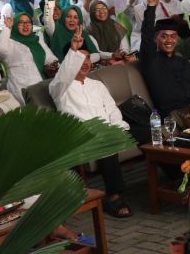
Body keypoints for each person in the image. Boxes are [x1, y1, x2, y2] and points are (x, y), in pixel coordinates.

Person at [50, 35, 147, 219]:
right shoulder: (59, 87)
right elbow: (64, 74)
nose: (85, 62)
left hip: (111, 129)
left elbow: (111, 109)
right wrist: (74, 50)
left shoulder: (97, 85)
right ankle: (114, 197)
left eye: (87, 58)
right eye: (79, 58)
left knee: (149, 131)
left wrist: (118, 127)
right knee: (107, 144)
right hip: (85, 136)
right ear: (68, 62)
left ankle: (176, 174)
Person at [135, 0, 190, 128]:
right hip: (175, 116)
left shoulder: (181, 60)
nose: (169, 40)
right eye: (164, 36)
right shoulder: (151, 60)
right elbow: (146, 34)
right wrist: (151, 6)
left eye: (173, 36)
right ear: (156, 39)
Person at [0, 11, 59, 106]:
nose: (25, 25)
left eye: (28, 22)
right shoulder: (10, 42)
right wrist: (7, 28)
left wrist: (55, 65)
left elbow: (51, 59)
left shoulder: (37, 40)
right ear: (15, 24)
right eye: (21, 22)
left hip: (42, 85)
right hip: (21, 88)